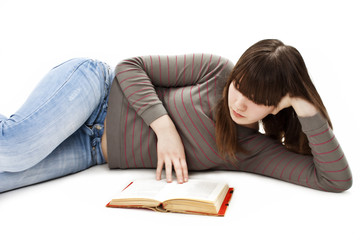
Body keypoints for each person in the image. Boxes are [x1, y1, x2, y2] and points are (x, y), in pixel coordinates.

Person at [0, 39, 352, 193]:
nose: (241, 102)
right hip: (95, 92)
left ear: (277, 107)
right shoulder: (216, 70)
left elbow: (334, 180)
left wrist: (304, 105)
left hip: (93, 151)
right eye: (240, 87)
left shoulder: (251, 151)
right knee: (15, 148)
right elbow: (129, 67)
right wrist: (164, 127)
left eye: (258, 100)